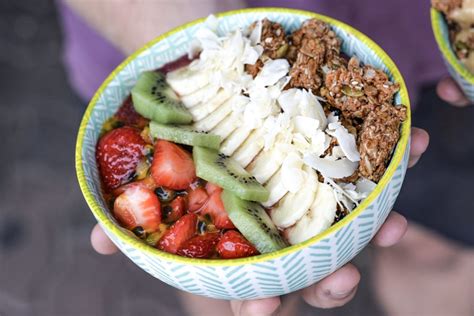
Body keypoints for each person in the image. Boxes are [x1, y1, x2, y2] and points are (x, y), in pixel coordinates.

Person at [58, 0, 470, 315]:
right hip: (154, 14)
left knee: (439, 252)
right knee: (229, 299)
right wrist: (193, 40)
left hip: (400, 27)